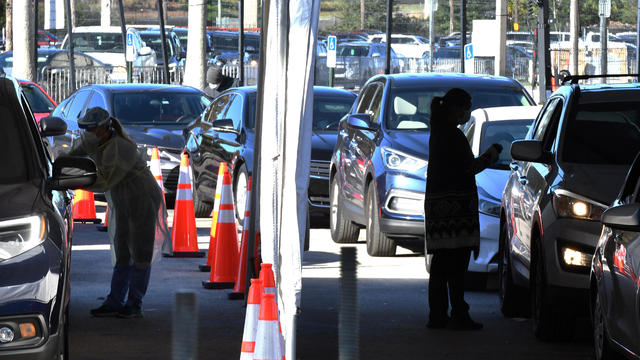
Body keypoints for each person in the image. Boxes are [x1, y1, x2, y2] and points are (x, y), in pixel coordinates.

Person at [65, 107, 169, 318]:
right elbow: (72, 156)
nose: (88, 133)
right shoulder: (94, 140)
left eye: (91, 129)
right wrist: (59, 165)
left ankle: (134, 303)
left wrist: (73, 181)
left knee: (140, 251)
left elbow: (104, 181)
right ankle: (115, 300)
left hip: (142, 198)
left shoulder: (119, 147)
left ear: (104, 128)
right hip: (123, 198)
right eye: (86, 129)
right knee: (122, 249)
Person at [424, 88, 502, 331]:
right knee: (456, 265)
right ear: (454, 108)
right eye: (465, 107)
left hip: (439, 208)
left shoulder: (438, 132)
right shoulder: (453, 136)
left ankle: (438, 315)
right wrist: (492, 154)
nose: (466, 112)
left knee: (440, 264)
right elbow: (470, 168)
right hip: (456, 211)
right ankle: (458, 313)